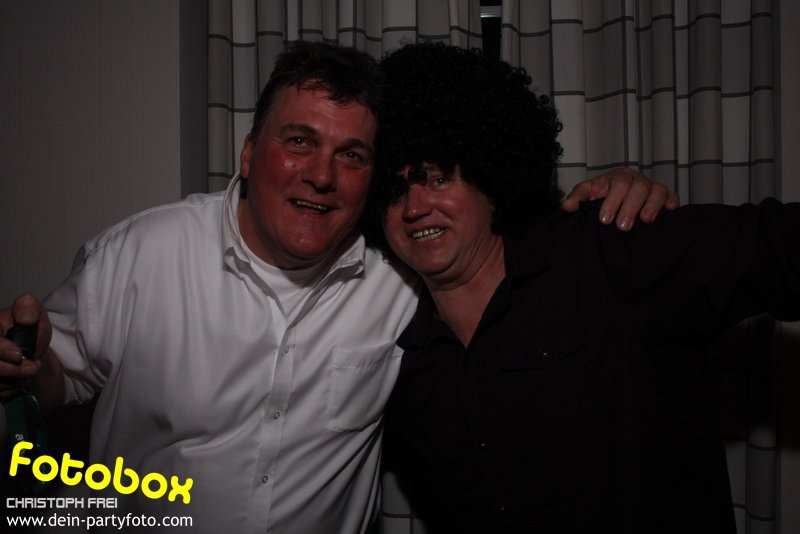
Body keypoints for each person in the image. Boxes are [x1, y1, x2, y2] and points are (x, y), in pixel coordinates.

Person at [0, 41, 673, 533]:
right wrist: (28, 364)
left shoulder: (399, 274)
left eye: (351, 155)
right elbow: (59, 380)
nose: (321, 175)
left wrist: (620, 189)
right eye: (299, 141)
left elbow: (490, 238)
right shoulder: (142, 252)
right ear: (249, 151)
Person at [365, 42, 800, 534]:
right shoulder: (395, 350)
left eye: (438, 179)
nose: (414, 207)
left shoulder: (608, 253)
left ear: (490, 181)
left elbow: (778, 249)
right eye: (393, 191)